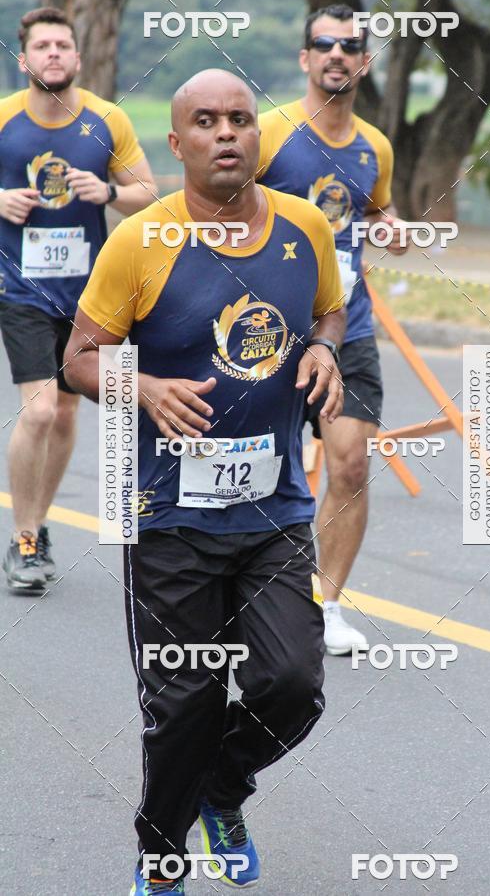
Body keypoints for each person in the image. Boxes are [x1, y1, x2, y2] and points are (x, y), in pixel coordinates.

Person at [64, 69, 346, 894]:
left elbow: (330, 310)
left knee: (291, 685)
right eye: (207, 121)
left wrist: (325, 347)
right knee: (182, 705)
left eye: (240, 119)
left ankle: (223, 790)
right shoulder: (139, 241)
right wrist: (143, 387)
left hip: (274, 513)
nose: (226, 133)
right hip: (167, 518)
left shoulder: (304, 226)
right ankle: (162, 857)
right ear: (177, 142)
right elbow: (78, 359)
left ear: (259, 135)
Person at [257, 3, 409, 655]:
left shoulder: (375, 146)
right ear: (305, 58)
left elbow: (377, 211)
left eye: (349, 46)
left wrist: (391, 228)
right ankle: (243, 595)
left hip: (348, 328)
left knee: (349, 465)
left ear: (364, 62)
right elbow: (219, 209)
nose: (336, 55)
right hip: (266, 333)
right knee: (260, 468)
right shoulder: (269, 133)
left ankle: (327, 605)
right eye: (324, 44)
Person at [0, 7, 156, 592]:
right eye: (43, 46)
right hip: (20, 286)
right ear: (25, 60)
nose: (54, 54)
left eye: (62, 45)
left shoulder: (107, 119)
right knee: (40, 410)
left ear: (78, 57)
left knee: (67, 412)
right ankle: (22, 539)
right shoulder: (4, 119)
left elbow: (148, 192)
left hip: (91, 295)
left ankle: (37, 525)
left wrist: (109, 191)